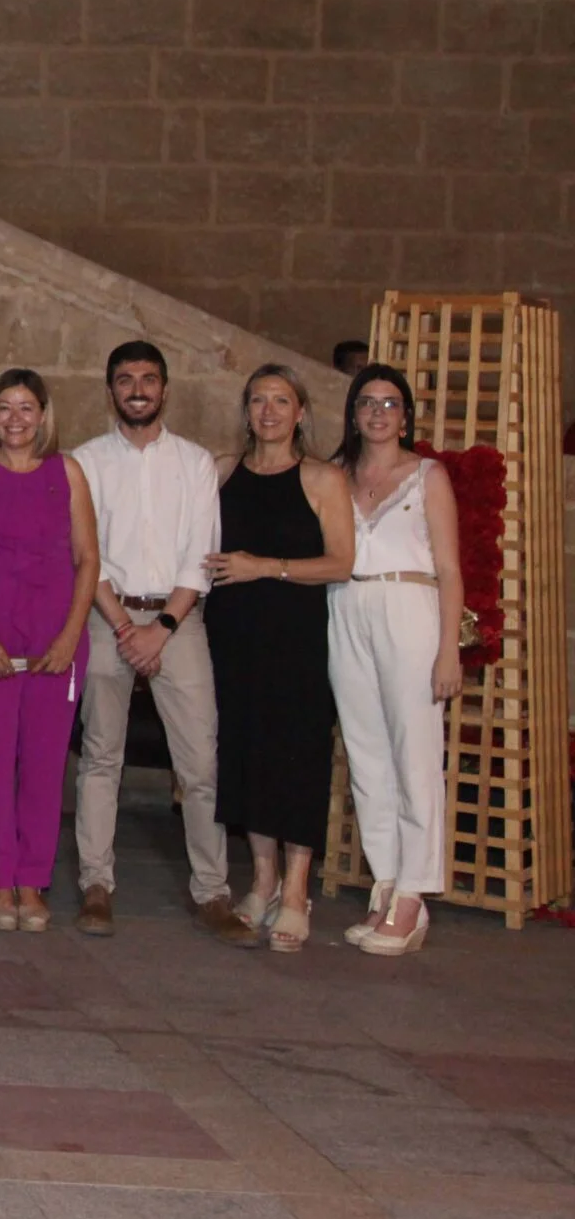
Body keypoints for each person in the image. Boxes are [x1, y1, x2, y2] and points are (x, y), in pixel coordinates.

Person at [69, 341, 252, 944]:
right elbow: (83, 555)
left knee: (200, 763)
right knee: (101, 757)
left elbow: (201, 555)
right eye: (126, 380)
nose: (138, 389)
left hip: (178, 620)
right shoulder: (87, 462)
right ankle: (97, 885)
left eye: (148, 379)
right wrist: (124, 627)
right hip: (107, 616)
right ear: (111, 390)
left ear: (165, 388)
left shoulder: (196, 463)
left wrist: (162, 629)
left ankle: (213, 892)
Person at [0, 369, 100, 933]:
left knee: (43, 760)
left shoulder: (69, 473)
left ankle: (33, 879)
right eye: (4, 408)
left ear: (43, 415)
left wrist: (68, 636)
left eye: (26, 408)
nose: (15, 419)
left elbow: (87, 560)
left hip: (55, 633)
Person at [206, 364, 354, 952]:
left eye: (281, 401)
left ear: (300, 413)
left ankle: (296, 890)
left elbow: (341, 562)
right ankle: (262, 880)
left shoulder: (322, 479)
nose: (269, 411)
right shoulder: (222, 472)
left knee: (296, 757)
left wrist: (263, 566)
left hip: (295, 637)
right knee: (246, 754)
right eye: (259, 400)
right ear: (246, 411)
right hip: (233, 632)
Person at [329, 366, 464, 957]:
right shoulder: (338, 476)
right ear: (354, 414)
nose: (378, 412)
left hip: (410, 605)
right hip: (347, 606)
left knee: (414, 751)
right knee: (366, 753)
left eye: (389, 403)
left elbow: (453, 568)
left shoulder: (428, 476)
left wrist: (448, 649)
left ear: (406, 415)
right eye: (367, 402)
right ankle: (386, 881)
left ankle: (414, 892)